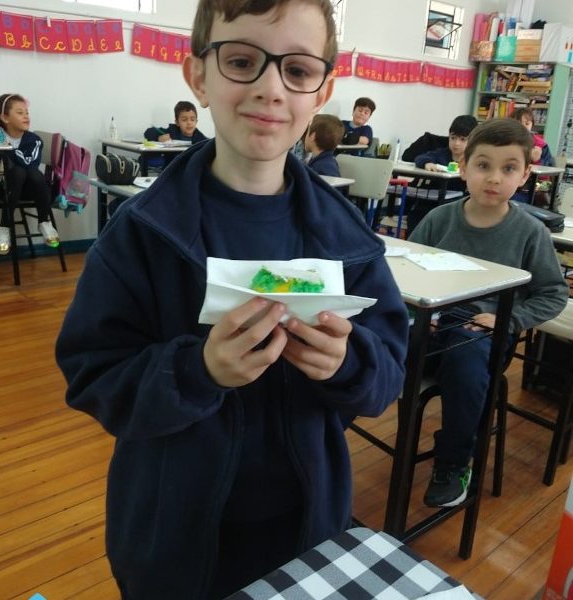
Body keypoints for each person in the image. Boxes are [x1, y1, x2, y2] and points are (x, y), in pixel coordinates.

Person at [55, 2, 409, 599]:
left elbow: (388, 375)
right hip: (172, 535)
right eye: (242, 61)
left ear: (322, 91)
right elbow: (93, 375)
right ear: (199, 76)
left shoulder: (347, 239)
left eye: (297, 70)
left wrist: (348, 362)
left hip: (308, 529)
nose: (271, 88)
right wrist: (198, 371)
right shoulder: (143, 233)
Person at [409, 118, 568, 509]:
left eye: (509, 168)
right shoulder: (439, 219)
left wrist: (508, 321)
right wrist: (415, 313)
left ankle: (453, 462)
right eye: (483, 165)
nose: (494, 178)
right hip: (432, 323)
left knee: (465, 357)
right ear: (463, 167)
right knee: (371, 336)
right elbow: (404, 269)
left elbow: (553, 293)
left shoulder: (530, 232)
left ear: (525, 175)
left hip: (483, 331)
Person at [0, 94, 60, 255]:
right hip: (4, 188)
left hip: (29, 190)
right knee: (18, 172)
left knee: (33, 173)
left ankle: (44, 221)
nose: (26, 116)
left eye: (27, 112)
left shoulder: (34, 140)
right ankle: (4, 227)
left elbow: (29, 163)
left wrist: (6, 148)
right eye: (20, 113)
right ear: (4, 118)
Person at [406, 114, 478, 237]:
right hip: (432, 201)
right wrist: (427, 163)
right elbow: (421, 157)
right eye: (453, 138)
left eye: (463, 139)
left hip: (455, 204)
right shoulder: (442, 153)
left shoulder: (473, 159)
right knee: (416, 216)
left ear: (472, 141)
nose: (456, 143)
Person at [143, 100, 208, 171]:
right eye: (184, 120)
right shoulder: (171, 132)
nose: (189, 123)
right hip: (171, 171)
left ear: (196, 121)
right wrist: (158, 137)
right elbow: (148, 132)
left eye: (192, 119)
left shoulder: (202, 140)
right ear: (177, 122)